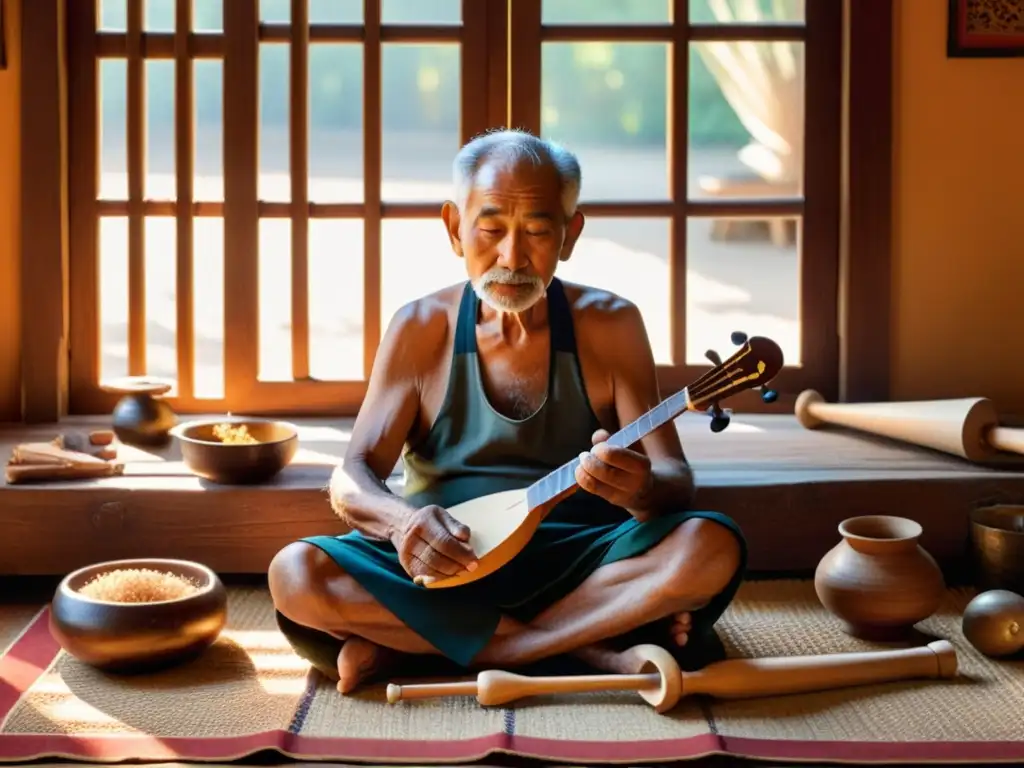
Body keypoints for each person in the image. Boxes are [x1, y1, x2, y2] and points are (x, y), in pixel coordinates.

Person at [267, 128, 746, 694]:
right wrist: (401, 525)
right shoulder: (421, 328)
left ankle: (445, 646)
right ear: (454, 228)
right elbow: (352, 473)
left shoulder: (611, 325)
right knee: (296, 574)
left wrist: (640, 489)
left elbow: (674, 478)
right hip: (444, 564)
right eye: (490, 230)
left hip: (580, 563)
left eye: (538, 232)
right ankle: (588, 647)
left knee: (709, 546)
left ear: (569, 235)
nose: (512, 258)